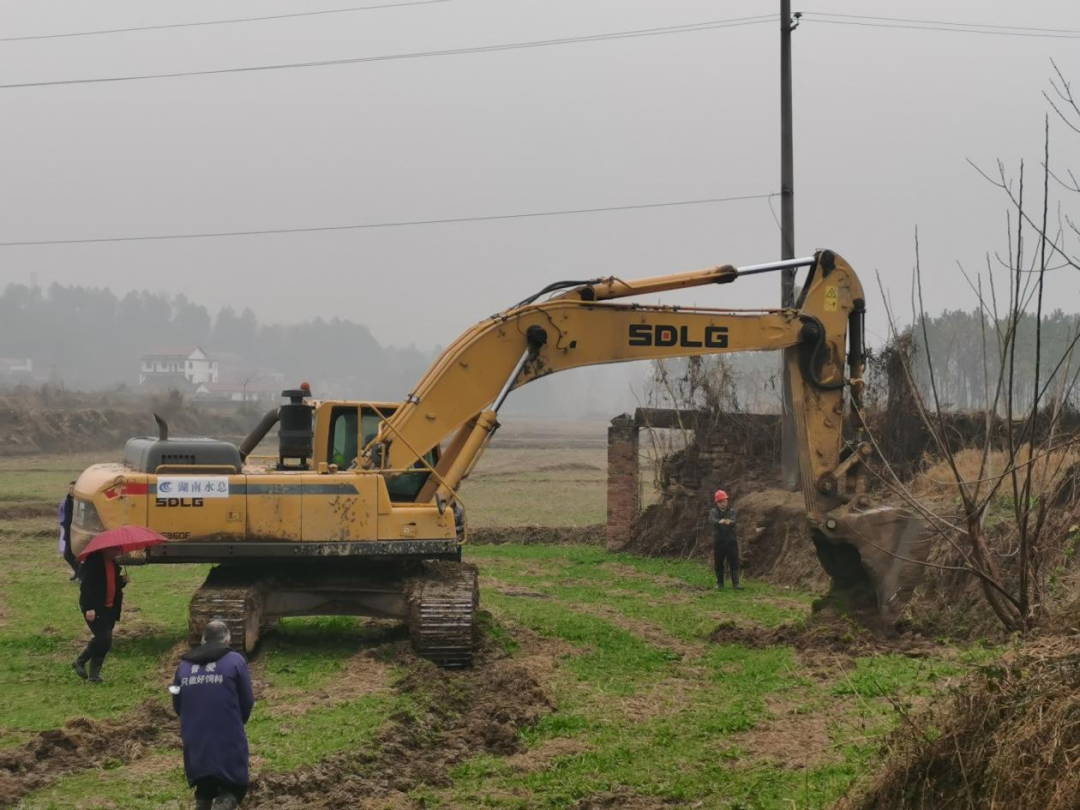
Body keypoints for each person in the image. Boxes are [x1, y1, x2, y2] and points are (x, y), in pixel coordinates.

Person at [171, 620, 255, 810]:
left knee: (205, 785)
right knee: (234, 786)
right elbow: (247, 699)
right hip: (227, 736)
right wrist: (236, 720)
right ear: (227, 639)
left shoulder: (183, 666)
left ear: (203, 640)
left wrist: (188, 718)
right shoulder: (235, 661)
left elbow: (175, 695)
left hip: (194, 737)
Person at [72, 548, 125, 682]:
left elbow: (112, 585)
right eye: (115, 550)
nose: (117, 552)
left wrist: (122, 581)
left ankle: (93, 675)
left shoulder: (113, 563)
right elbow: (86, 587)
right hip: (95, 609)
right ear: (105, 549)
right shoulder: (93, 563)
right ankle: (80, 661)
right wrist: (89, 608)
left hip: (110, 608)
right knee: (104, 639)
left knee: (105, 642)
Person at [707, 489, 741, 590]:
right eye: (721, 502)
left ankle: (736, 584)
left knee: (734, 562)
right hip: (719, 542)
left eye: (725, 501)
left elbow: (734, 521)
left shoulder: (731, 511)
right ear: (717, 503)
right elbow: (712, 520)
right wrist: (719, 521)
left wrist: (729, 522)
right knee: (718, 562)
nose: (724, 503)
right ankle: (719, 583)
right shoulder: (713, 512)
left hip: (731, 541)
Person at [58, 481, 79, 581]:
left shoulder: (80, 502)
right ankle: (78, 572)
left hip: (77, 532)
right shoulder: (67, 501)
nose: (71, 490)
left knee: (71, 554)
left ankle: (81, 574)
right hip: (68, 531)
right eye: (70, 488)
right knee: (68, 555)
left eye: (73, 488)